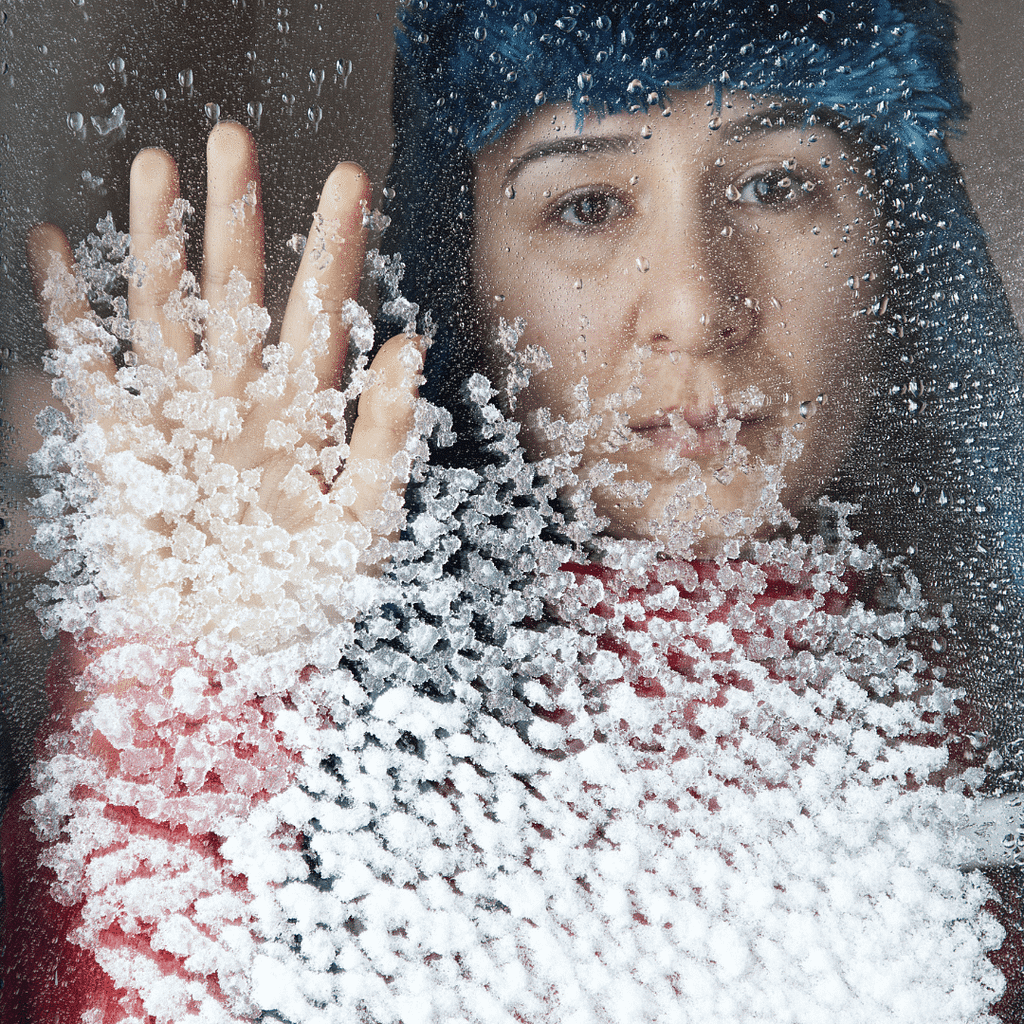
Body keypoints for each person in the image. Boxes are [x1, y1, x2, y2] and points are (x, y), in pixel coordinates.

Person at [2, 0, 1022, 1021]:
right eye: (586, 205)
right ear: (467, 272)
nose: (694, 306)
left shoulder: (972, 728)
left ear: (896, 241)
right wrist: (199, 704)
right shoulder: (301, 676)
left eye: (774, 184)